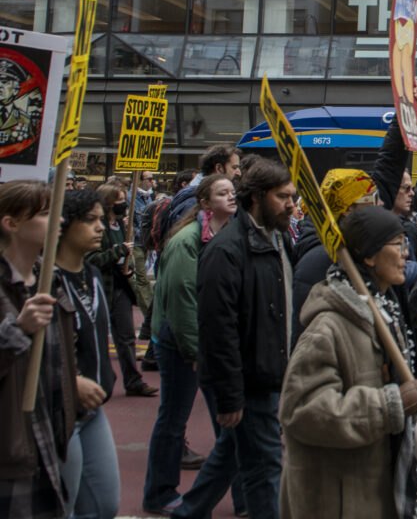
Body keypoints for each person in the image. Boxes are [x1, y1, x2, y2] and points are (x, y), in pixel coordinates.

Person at [279, 206, 417, 519]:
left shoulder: (386, 313)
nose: (406, 254)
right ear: (369, 257)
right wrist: (392, 405)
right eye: (398, 245)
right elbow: (301, 410)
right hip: (337, 499)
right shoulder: (328, 326)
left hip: (375, 486)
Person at [173, 158, 298, 519]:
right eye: (282, 196)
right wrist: (229, 395)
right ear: (256, 198)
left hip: (267, 371)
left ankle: (189, 511)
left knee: (231, 453)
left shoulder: (276, 239)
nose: (291, 204)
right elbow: (217, 330)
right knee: (265, 467)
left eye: (292, 196)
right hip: (250, 377)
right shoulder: (226, 251)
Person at [143, 174, 241, 515]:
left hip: (210, 343)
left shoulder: (231, 233)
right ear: (204, 203)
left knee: (229, 421)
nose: (231, 196)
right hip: (181, 344)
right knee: (174, 418)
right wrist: (196, 350)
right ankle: (159, 493)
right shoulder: (186, 240)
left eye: (233, 191)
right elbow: (182, 301)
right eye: (222, 192)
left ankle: (243, 496)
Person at [0, 180, 78, 519]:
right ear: (11, 223)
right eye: (47, 213)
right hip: (10, 440)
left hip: (50, 430)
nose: (59, 220)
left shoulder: (51, 278)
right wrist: (17, 330)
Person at [55, 189, 120, 519]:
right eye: (90, 220)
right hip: (59, 410)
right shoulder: (46, 282)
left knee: (104, 505)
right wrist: (71, 381)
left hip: (95, 409)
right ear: (63, 225)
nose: (100, 228)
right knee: (63, 506)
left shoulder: (93, 276)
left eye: (100, 219)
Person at [85, 184, 156, 398]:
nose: (123, 204)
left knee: (125, 337)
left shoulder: (120, 226)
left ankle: (132, 380)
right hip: (101, 288)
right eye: (119, 200)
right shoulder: (98, 228)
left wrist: (128, 266)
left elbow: (124, 258)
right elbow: (92, 259)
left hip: (119, 288)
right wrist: (119, 251)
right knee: (95, 337)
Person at [291, 168, 377, 344]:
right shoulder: (321, 259)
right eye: (373, 199)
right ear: (347, 208)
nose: (380, 205)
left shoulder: (346, 248)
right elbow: (306, 335)